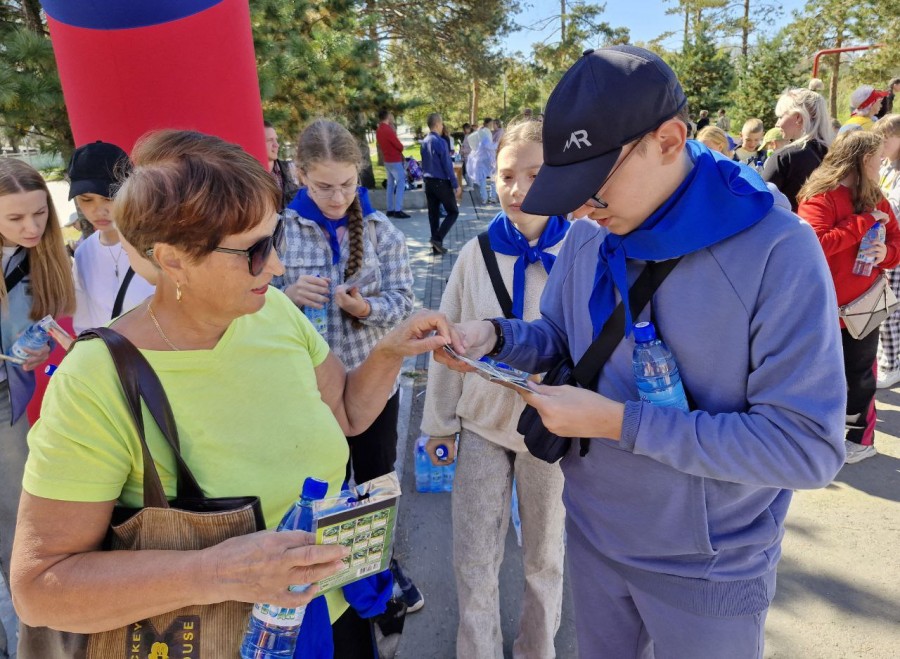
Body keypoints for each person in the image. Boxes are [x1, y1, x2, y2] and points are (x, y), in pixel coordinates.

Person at [434, 46, 846, 658]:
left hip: (709, 568)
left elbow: (806, 448)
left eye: (595, 186)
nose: (579, 209)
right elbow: (558, 335)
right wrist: (492, 336)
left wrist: (616, 423)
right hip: (595, 536)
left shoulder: (777, 251)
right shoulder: (589, 233)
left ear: (670, 139)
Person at [11, 129, 452, 656]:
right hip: (214, 639)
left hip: (332, 612)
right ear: (173, 259)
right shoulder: (96, 380)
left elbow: (348, 415)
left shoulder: (274, 311)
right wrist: (219, 572)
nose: (279, 266)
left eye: (276, 238)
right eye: (255, 250)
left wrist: (389, 353)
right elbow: (40, 589)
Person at [421, 118, 569, 658]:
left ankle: (537, 649)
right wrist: (438, 424)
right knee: (474, 555)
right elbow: (443, 348)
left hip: (550, 432)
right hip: (481, 424)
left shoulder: (582, 250)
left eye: (534, 174)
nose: (519, 189)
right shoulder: (473, 254)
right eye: (507, 175)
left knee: (544, 555)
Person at [275, 119, 421, 609]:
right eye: (324, 187)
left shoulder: (381, 232)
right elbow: (248, 303)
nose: (337, 198)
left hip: (373, 384)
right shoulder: (278, 229)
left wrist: (367, 310)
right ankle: (326, 572)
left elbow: (406, 302)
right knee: (322, 484)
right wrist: (286, 295)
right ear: (299, 175)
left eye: (347, 184)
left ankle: (380, 567)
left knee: (376, 481)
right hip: (304, 390)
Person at [0, 159, 75, 659]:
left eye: (38, 215)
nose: (31, 228)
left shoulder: (47, 259)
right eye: (14, 219)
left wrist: (44, 352)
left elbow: (57, 337)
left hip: (15, 416)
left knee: (18, 537)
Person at [797, 130, 900, 464]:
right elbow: (814, 245)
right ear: (859, 160)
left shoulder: (873, 194)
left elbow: (897, 245)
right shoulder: (821, 196)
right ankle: (816, 434)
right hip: (820, 308)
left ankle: (859, 439)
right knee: (816, 376)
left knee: (860, 377)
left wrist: (885, 251)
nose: (881, 162)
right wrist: (863, 222)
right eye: (875, 157)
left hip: (863, 308)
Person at [68, 141, 155, 335]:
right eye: (86, 199)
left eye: (109, 197)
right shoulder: (84, 252)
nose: (98, 210)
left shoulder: (159, 244)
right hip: (111, 361)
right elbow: (85, 325)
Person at [763, 87, 835, 211]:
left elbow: (761, 200)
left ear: (798, 118)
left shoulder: (784, 157)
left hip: (788, 227)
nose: (777, 124)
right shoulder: (834, 154)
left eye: (780, 117)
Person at [873, 115, 900, 388]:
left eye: (887, 138)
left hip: (895, 246)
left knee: (890, 307)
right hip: (887, 243)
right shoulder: (888, 167)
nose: (881, 143)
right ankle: (887, 358)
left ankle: (891, 365)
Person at [420, 113, 461, 255]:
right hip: (441, 182)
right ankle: (437, 239)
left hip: (428, 182)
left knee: (434, 214)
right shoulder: (440, 142)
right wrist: (455, 184)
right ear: (437, 124)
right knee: (453, 212)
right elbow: (447, 165)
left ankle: (436, 247)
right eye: (442, 123)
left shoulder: (424, 141)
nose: (442, 126)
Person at [376, 110, 410, 218]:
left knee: (390, 185)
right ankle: (398, 210)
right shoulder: (388, 130)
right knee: (400, 183)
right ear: (387, 117)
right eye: (390, 115)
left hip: (387, 160)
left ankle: (390, 209)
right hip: (394, 160)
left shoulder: (379, 130)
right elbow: (399, 146)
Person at [264, 121, 300, 212]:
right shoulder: (249, 176)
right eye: (269, 140)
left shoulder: (292, 171)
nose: (276, 145)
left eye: (276, 139)